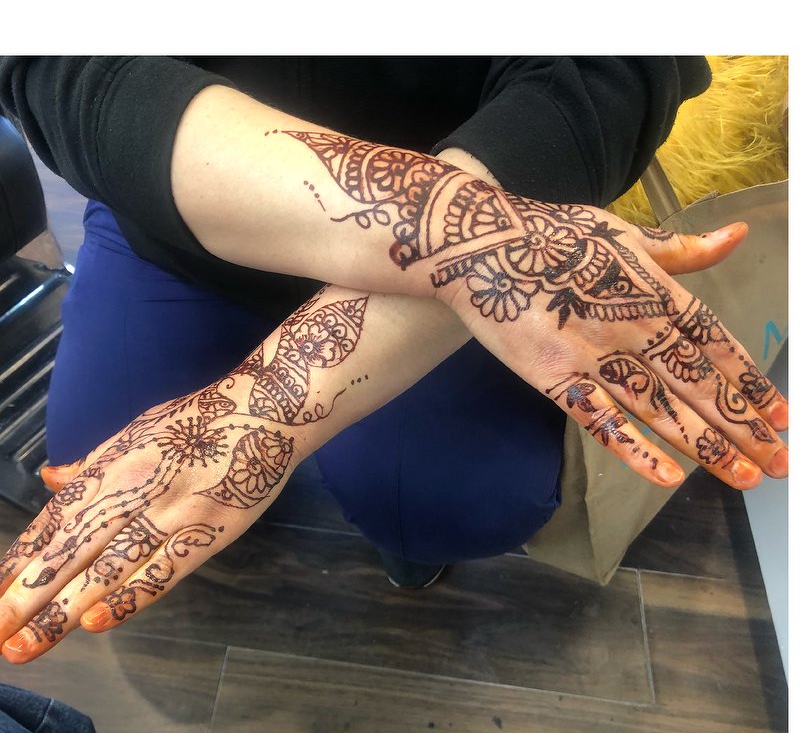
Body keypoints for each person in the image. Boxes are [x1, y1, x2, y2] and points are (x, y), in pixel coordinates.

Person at [0, 56, 789, 667]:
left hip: (479, 173)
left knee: (452, 501)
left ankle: (402, 542)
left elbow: (615, 65)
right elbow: (56, 64)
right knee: (93, 458)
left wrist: (271, 403)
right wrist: (484, 243)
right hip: (179, 213)